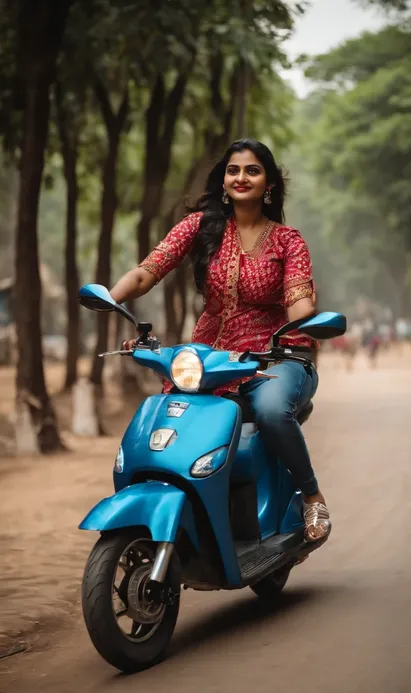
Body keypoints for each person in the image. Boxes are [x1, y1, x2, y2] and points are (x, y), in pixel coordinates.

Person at [110, 138, 330, 543]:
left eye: (252, 170)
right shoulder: (200, 226)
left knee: (269, 411)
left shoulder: (288, 240)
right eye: (233, 170)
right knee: (175, 415)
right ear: (224, 180)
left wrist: (308, 314)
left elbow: (298, 299)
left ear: (269, 184)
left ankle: (312, 495)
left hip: (277, 356)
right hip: (210, 358)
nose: (241, 177)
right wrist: (111, 297)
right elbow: (148, 271)